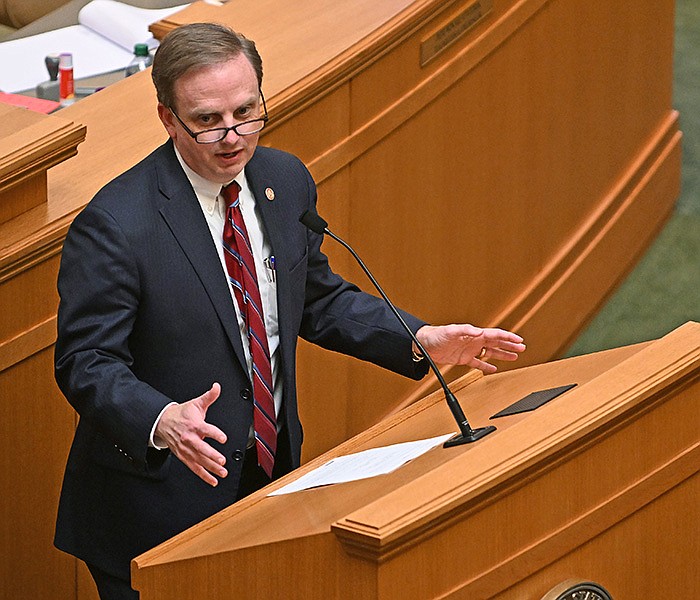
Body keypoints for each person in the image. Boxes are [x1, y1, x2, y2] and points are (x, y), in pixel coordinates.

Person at [53, 22, 526, 599]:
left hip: (268, 472)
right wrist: (161, 419)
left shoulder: (283, 180)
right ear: (168, 119)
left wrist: (417, 337)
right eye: (207, 121)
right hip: (157, 502)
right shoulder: (116, 226)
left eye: (247, 112)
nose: (233, 137)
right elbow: (86, 360)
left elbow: (317, 299)